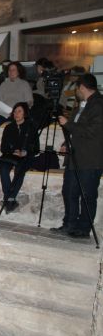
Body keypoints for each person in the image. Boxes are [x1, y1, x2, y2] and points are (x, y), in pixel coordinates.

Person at [53, 74, 103, 238]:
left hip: (90, 159)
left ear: (82, 87)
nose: (76, 91)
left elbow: (93, 131)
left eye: (77, 88)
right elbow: (76, 131)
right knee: (69, 191)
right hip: (75, 157)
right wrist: (67, 142)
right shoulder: (81, 105)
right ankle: (69, 224)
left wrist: (68, 124)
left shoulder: (99, 104)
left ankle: (83, 229)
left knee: (87, 195)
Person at [0, 103, 39, 213]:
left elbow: (36, 149)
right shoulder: (9, 127)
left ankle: (9, 200)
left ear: (25, 113)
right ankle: (10, 199)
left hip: (25, 156)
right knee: (3, 167)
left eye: (19, 111)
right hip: (10, 156)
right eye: (15, 111)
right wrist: (13, 151)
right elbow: (3, 147)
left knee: (20, 170)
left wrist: (24, 153)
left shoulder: (31, 127)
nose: (16, 114)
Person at [0, 62, 34, 134]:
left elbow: (29, 101)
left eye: (13, 70)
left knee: (15, 124)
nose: (11, 72)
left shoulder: (24, 84)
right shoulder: (3, 84)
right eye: (9, 70)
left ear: (18, 72)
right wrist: (5, 110)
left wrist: (18, 110)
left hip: (18, 112)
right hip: (5, 112)